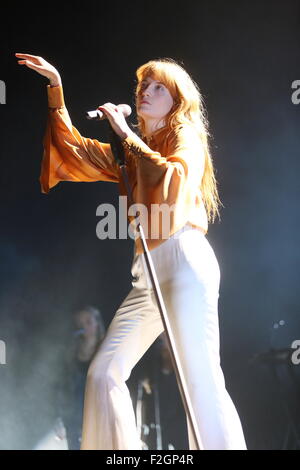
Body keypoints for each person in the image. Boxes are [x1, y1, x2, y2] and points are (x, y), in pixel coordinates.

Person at [15, 52, 247, 450]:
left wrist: (126, 134)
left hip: (184, 261)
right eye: (144, 86)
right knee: (103, 374)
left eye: (159, 88)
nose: (146, 92)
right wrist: (56, 86)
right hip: (147, 276)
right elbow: (73, 151)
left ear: (177, 101)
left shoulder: (184, 134)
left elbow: (174, 182)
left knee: (200, 377)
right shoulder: (131, 152)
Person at [55, 305, 106, 449]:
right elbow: (62, 388)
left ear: (97, 323)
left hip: (98, 415)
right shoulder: (71, 352)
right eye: (81, 324)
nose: (84, 327)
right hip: (74, 419)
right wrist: (59, 418)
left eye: (88, 322)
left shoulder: (106, 349)